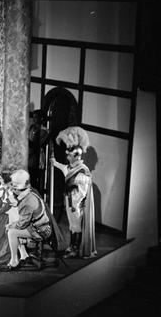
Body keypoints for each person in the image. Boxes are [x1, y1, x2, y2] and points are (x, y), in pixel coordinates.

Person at [50, 126, 97, 258]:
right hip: (69, 201)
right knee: (72, 225)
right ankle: (71, 246)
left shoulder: (82, 171)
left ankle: (75, 249)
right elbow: (62, 167)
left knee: (76, 226)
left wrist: (75, 204)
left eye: (69, 155)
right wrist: (54, 162)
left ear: (76, 157)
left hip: (76, 204)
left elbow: (83, 191)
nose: (67, 157)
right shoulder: (70, 168)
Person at [5, 169, 55, 271]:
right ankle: (24, 255)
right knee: (13, 225)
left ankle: (14, 261)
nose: (12, 191)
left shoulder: (26, 203)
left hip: (41, 231)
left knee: (11, 232)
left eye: (13, 189)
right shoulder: (31, 192)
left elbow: (21, 225)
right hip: (40, 225)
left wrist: (11, 225)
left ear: (18, 190)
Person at [28, 109, 50, 194]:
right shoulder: (32, 127)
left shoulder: (44, 131)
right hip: (28, 156)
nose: (34, 119)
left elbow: (37, 144)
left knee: (34, 180)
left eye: (36, 117)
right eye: (33, 117)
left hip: (36, 158)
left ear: (41, 118)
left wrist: (25, 140)